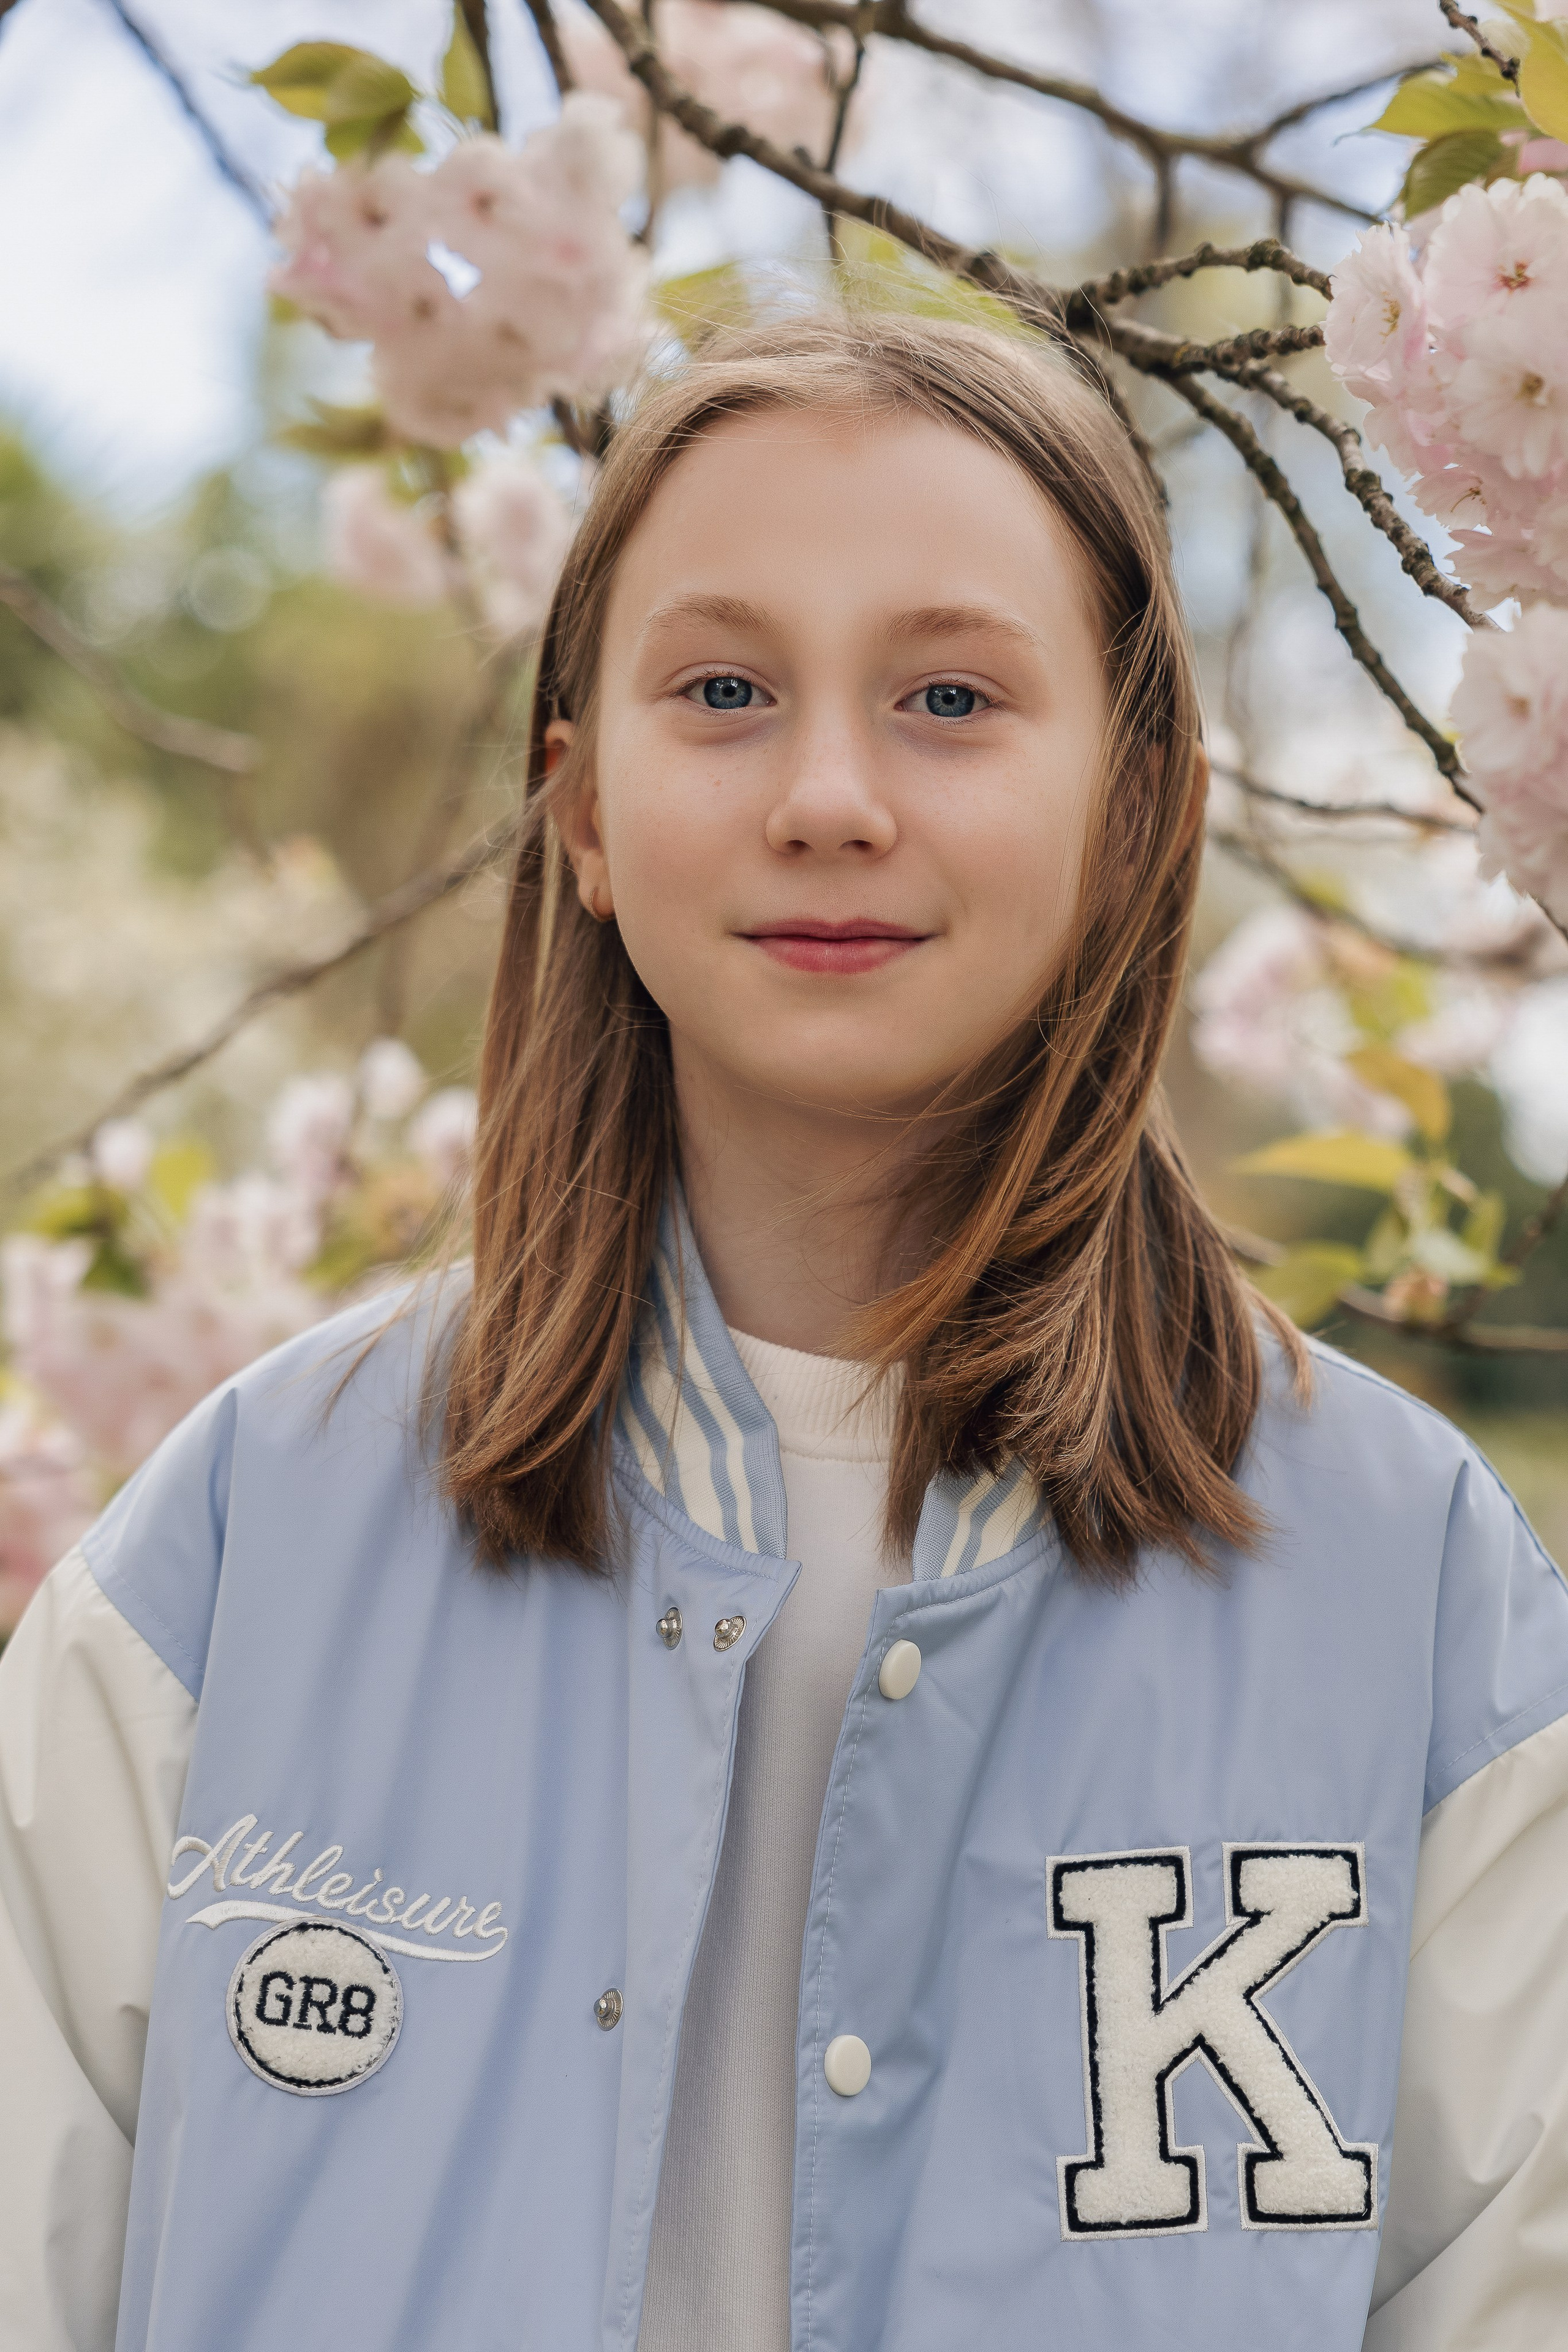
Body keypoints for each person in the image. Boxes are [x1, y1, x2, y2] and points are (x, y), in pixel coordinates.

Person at [2, 312, 1566, 2352]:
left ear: (1136, 805)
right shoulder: (237, 1551)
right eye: (724, 690)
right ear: (578, 808)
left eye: (949, 696)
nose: (830, 795)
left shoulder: (1417, 1591)